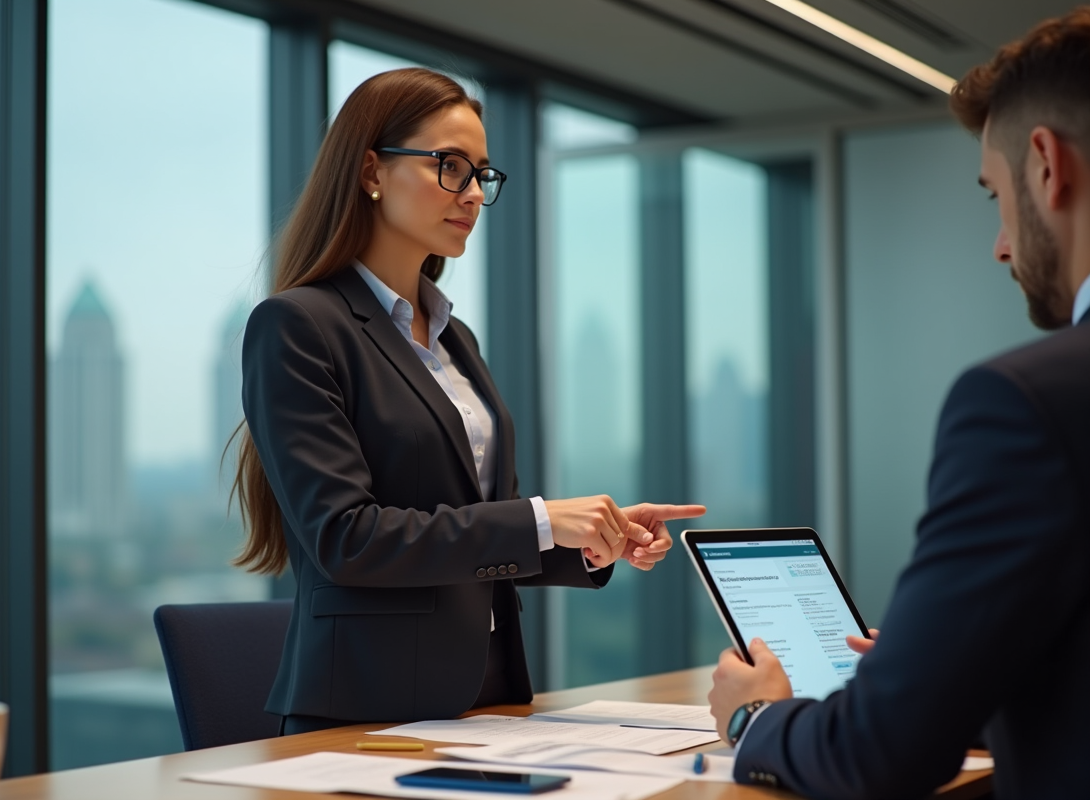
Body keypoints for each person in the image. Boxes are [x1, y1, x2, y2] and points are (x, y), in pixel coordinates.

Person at [233, 67, 704, 735]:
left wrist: (593, 542)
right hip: (366, 714)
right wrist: (545, 519)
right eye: (451, 167)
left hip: (487, 697)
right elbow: (345, 538)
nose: (475, 194)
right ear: (372, 170)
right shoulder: (299, 325)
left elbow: (477, 529)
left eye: (483, 173)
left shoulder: (456, 338)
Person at [706, 8, 1090, 799]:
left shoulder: (1025, 403)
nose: (1002, 245)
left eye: (995, 195)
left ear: (1047, 166)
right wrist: (947, 672)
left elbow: (880, 758)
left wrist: (757, 719)